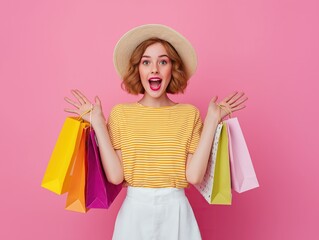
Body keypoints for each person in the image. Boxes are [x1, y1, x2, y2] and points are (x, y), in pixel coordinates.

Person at [64, 24, 247, 240]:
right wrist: (98, 123)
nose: (154, 70)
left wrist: (212, 120)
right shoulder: (121, 114)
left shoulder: (189, 115)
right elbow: (115, 176)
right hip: (134, 214)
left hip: (177, 214)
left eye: (163, 61)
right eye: (146, 62)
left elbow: (194, 176)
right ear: (137, 69)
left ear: (173, 68)